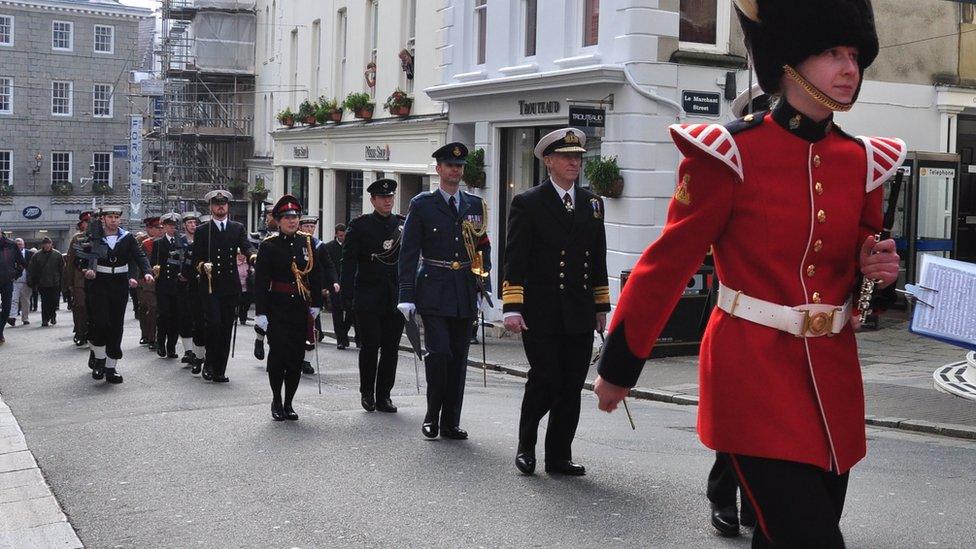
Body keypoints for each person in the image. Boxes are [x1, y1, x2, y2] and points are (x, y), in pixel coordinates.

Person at [593, 0, 903, 545]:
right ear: (788, 61)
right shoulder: (729, 153)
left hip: (831, 386)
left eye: (854, 54)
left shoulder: (862, 161)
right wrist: (620, 365)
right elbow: (668, 264)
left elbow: (858, 271)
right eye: (833, 52)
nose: (850, 67)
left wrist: (873, 267)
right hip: (752, 376)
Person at [502, 128, 610, 477]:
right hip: (541, 311)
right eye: (567, 157)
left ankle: (559, 455)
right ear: (548, 161)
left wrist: (600, 306)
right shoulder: (528, 202)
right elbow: (515, 258)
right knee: (545, 378)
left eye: (578, 157)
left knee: (571, 384)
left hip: (578, 310)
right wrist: (512, 307)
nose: (574, 162)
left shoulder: (593, 203)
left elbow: (598, 258)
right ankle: (526, 445)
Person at [398, 143, 492, 439]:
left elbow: (482, 249)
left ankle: (451, 421)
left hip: (464, 289)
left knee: (458, 359)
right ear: (438, 169)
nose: (456, 170)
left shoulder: (474, 205)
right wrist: (406, 295)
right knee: (438, 355)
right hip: (434, 288)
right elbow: (409, 252)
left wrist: (483, 285)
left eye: (460, 166)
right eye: (450, 165)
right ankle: (431, 415)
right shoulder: (423, 204)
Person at [253, 195, 323, 421]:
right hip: (278, 307)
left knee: (295, 357)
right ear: (278, 221)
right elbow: (262, 281)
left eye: (295, 217)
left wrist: (317, 305)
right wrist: (261, 313)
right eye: (287, 218)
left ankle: (289, 402)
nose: (292, 221)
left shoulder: (307, 243)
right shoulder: (269, 245)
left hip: (300, 308)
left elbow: (316, 274)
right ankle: (276, 399)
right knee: (278, 356)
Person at [342, 179, 405, 412]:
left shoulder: (402, 225)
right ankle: (367, 391)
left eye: (390, 197)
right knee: (370, 346)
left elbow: (408, 261)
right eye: (382, 198)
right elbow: (348, 261)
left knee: (391, 348)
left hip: (394, 295)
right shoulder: (360, 226)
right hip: (368, 294)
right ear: (373, 200)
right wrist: (346, 295)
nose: (387, 201)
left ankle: (384, 396)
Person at [81, 206, 153, 383]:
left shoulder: (127, 237)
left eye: (116, 217)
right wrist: (86, 269)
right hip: (99, 283)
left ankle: (111, 366)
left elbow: (140, 256)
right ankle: (99, 360)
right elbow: (81, 257)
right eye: (110, 217)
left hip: (119, 284)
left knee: (115, 325)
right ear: (103, 219)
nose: (113, 220)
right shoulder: (93, 236)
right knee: (100, 323)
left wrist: (147, 272)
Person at [192, 189, 254, 382]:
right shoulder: (203, 230)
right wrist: (203, 266)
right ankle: (209, 363)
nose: (221, 206)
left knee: (226, 327)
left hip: (230, 285)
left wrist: (253, 255)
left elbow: (246, 246)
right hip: (210, 286)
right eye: (217, 204)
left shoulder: (237, 228)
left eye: (224, 204)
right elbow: (195, 259)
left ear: (228, 206)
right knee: (214, 324)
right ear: (211, 207)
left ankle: (220, 369)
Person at [299, 215, 339, 373]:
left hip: (312, 292)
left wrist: (334, 281)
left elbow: (328, 265)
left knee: (311, 327)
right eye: (307, 227)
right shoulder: (293, 242)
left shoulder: (318, 246)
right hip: (294, 290)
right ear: (301, 227)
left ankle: (306, 360)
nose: (310, 230)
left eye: (312, 227)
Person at [151, 213, 185, 359]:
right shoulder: (159, 243)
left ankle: (171, 346)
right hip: (163, 285)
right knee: (164, 316)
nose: (173, 228)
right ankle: (160, 343)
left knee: (176, 317)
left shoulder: (181, 243)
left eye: (174, 226)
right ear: (164, 227)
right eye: (170, 225)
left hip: (177, 285)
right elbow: (153, 263)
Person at [178, 211, 206, 373]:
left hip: (206, 287)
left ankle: (202, 354)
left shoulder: (208, 242)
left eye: (195, 223)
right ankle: (192, 351)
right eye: (190, 223)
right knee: (188, 319)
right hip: (188, 285)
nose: (193, 226)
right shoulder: (182, 242)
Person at [250, 201, 277, 361]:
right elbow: (251, 251)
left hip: (280, 280)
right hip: (262, 277)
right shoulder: (257, 237)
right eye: (269, 215)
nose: (271, 218)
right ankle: (259, 339)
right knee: (263, 312)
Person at [63, 212, 92, 345]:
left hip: (98, 280)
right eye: (86, 222)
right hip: (80, 280)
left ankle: (92, 332)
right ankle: (80, 333)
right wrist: (70, 283)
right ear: (82, 224)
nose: (89, 224)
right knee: (80, 306)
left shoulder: (101, 237)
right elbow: (70, 262)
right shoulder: (77, 238)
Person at [324, 223, 355, 350]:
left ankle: (344, 332)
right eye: (340, 235)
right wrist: (326, 286)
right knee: (337, 312)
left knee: (351, 311)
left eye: (344, 235)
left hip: (349, 284)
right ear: (336, 234)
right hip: (334, 284)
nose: (343, 237)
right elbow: (326, 267)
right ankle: (341, 340)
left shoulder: (351, 245)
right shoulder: (329, 247)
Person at [27, 237, 64, 327]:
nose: (47, 245)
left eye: (49, 243)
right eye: (45, 244)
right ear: (42, 245)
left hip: (55, 282)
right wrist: (31, 281)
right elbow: (32, 268)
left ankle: (53, 316)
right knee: (45, 301)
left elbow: (62, 269)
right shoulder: (37, 255)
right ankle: (45, 319)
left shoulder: (57, 254)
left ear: (51, 244)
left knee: (54, 301)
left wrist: (63, 282)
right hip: (42, 282)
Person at [0, 228, 28, 345]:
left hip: (7, 281)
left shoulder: (11, 245)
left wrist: (15, 274)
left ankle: (0, 331)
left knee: (7, 308)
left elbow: (22, 263)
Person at [137, 217, 161, 349]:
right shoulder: (145, 244)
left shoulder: (166, 242)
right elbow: (141, 263)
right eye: (157, 228)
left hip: (162, 280)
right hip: (147, 281)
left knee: (156, 309)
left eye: (161, 228)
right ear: (150, 229)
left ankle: (155, 336)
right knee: (149, 308)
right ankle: (148, 336)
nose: (160, 230)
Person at [8, 238, 33, 327]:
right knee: (14, 300)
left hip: (26, 281)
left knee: (25, 301)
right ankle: (12, 317)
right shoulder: (11, 254)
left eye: (20, 244)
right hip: (15, 281)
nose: (19, 246)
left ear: (23, 245)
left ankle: (25, 318)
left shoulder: (30, 254)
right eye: (17, 244)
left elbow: (33, 266)